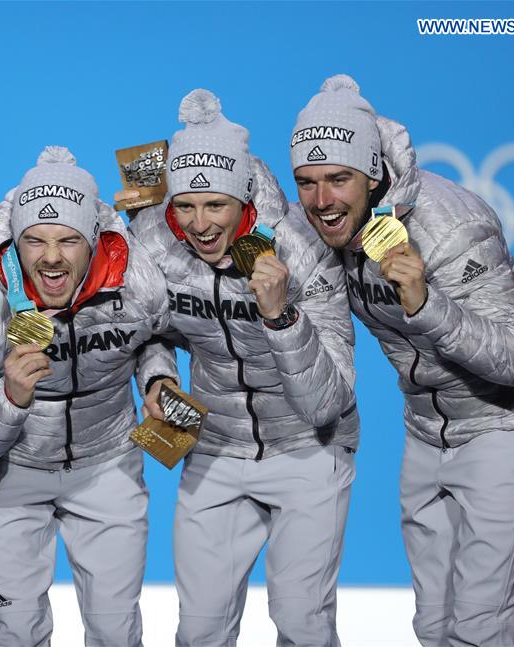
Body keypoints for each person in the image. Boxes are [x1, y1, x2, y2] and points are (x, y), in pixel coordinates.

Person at [290, 74, 514, 647]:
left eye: (338, 179)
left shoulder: (452, 227)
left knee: (481, 630)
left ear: (371, 174)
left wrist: (424, 302)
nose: (322, 201)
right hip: (425, 426)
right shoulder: (323, 229)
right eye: (307, 182)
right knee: (434, 626)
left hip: (505, 423)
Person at [127, 90, 359, 647]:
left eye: (215, 206)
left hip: (309, 449)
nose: (200, 225)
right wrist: (158, 378)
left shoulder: (302, 249)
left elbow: (331, 401)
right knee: (200, 629)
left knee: (302, 621)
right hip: (214, 450)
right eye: (185, 206)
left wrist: (281, 319)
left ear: (244, 198)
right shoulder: (155, 241)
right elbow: (150, 329)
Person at [0, 146, 170, 647]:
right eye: (35, 240)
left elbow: (152, 337)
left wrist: (157, 381)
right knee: (14, 631)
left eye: (68, 240)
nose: (50, 257)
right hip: (10, 474)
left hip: (109, 463)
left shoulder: (138, 280)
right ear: (16, 244)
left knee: (116, 629)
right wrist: (11, 398)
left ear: (93, 242)